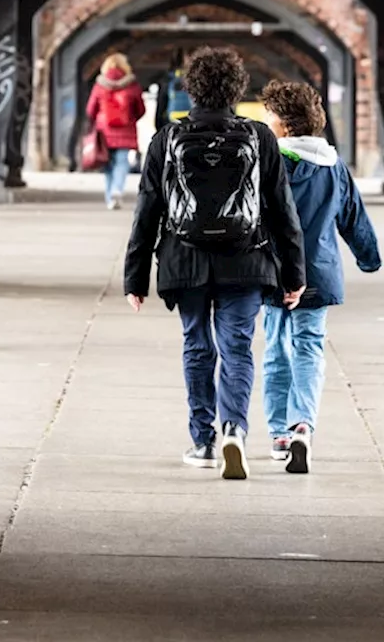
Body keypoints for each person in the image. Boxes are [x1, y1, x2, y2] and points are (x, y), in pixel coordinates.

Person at [124, 47, 306, 480]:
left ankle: (202, 440)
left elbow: (147, 209)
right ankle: (234, 430)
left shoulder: (166, 139)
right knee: (237, 347)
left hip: (184, 259)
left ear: (191, 90)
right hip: (246, 258)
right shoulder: (260, 137)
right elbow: (282, 210)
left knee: (197, 345)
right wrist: (295, 273)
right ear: (237, 88)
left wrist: (135, 276)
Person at [260, 81, 381, 474]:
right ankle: (303, 425)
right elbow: (353, 219)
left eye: (269, 116)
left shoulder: (267, 164)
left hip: (274, 271)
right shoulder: (334, 167)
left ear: (283, 124)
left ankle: (279, 432)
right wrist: (369, 258)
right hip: (319, 274)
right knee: (309, 347)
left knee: (277, 348)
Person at [85, 53, 145, 210]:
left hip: (104, 131)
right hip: (125, 130)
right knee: (122, 162)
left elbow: (90, 110)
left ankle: (109, 197)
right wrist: (130, 118)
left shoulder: (100, 85)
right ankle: (117, 189)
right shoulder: (132, 85)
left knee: (107, 164)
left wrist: (96, 121)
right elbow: (140, 109)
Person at [153, 47, 191, 131]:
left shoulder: (169, 78)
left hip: (172, 125)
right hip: (193, 125)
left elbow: (161, 105)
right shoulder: (170, 79)